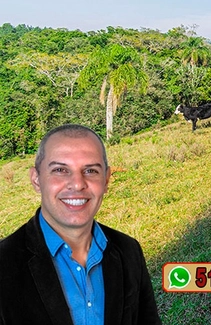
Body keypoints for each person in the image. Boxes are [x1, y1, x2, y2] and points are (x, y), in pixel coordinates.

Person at [0, 124, 161, 325]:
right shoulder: (4, 262)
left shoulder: (129, 250)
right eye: (60, 170)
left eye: (91, 170)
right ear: (36, 179)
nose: (77, 184)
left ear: (106, 180)